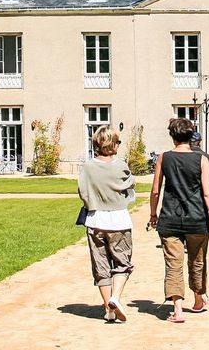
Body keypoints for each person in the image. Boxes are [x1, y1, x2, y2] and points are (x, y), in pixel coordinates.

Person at [149, 117, 209, 323]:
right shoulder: (202, 159)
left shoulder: (164, 157)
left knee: (173, 264)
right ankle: (198, 300)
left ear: (172, 136)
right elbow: (208, 193)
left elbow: (155, 191)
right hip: (197, 218)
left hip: (170, 218)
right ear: (191, 136)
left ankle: (178, 310)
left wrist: (153, 214)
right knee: (197, 261)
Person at [77, 125, 136, 323]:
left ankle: (109, 310)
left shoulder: (88, 167)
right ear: (113, 144)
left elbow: (83, 193)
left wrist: (93, 204)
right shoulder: (121, 166)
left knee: (100, 265)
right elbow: (129, 188)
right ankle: (115, 298)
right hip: (118, 219)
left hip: (95, 219)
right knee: (121, 262)